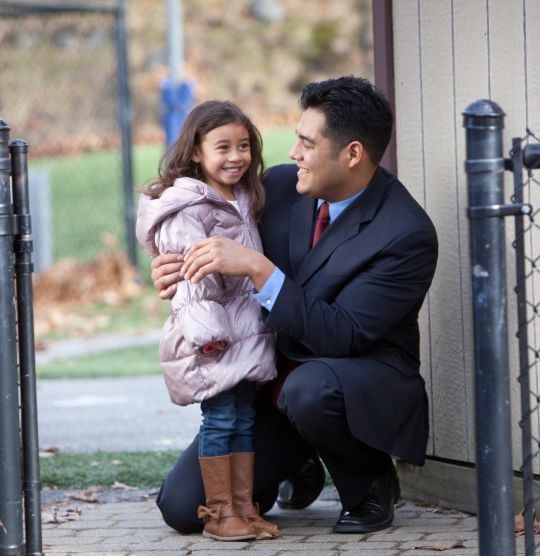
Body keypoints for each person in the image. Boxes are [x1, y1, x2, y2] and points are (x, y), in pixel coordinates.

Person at [150, 76, 439, 535]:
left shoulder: (405, 234)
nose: (292, 153)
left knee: (310, 391)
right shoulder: (280, 187)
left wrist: (261, 270)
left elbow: (342, 334)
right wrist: (175, 268)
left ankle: (369, 482)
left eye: (306, 142)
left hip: (351, 381)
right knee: (184, 508)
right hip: (270, 377)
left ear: (352, 154)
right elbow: (206, 231)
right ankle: (298, 460)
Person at [135, 100, 281, 541]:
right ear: (196, 151)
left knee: (241, 419)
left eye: (243, 146)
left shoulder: (241, 198)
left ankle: (242, 508)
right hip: (215, 338)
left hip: (244, 334)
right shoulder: (187, 207)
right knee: (219, 421)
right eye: (222, 147)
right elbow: (190, 281)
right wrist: (209, 336)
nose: (235, 157)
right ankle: (220, 513)